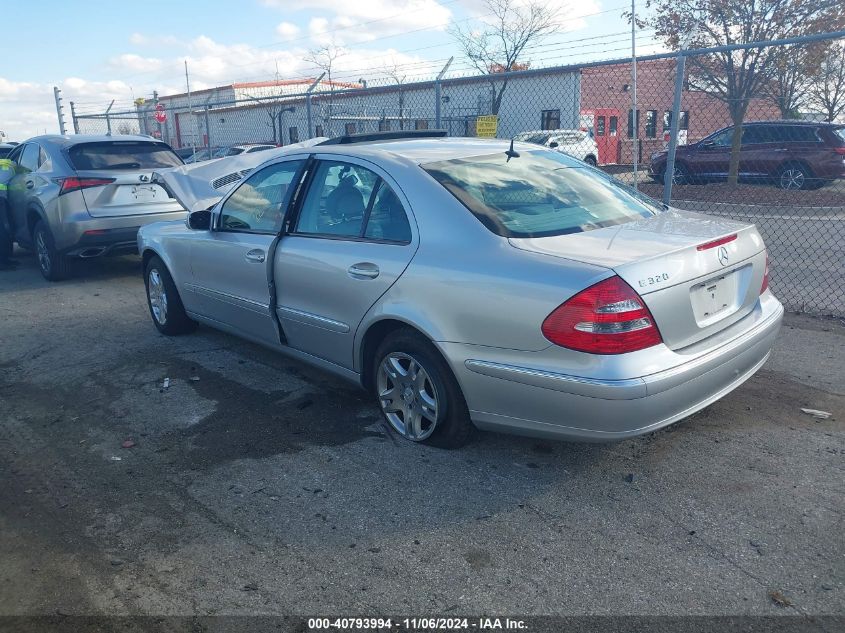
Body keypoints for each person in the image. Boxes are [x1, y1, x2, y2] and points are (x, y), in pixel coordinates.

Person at [0, 157, 17, 269]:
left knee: (4, 231)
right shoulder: (10, 167)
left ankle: (6, 259)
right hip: (1, 198)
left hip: (3, 199)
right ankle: (2, 262)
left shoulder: (3, 166)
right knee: (2, 232)